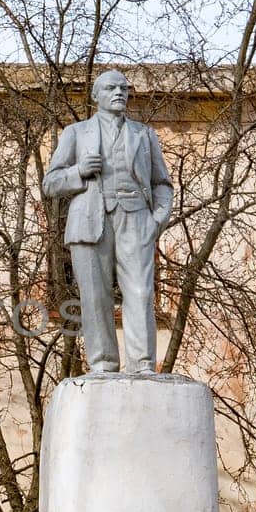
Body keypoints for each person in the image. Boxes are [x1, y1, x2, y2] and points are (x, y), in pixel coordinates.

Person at [41, 70, 173, 374]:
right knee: (95, 295)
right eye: (111, 88)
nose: (119, 93)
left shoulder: (144, 134)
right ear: (96, 96)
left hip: (136, 218)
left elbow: (162, 183)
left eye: (124, 89)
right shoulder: (76, 133)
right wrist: (79, 171)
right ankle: (103, 364)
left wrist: (156, 221)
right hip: (89, 221)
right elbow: (51, 183)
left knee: (140, 292)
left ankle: (142, 364)